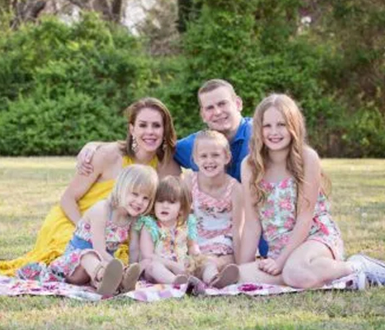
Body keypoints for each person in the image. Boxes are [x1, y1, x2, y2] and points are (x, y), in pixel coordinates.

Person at [0, 97, 181, 281]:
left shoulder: (167, 167)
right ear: (132, 129)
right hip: (75, 222)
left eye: (156, 125)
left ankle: (106, 280)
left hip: (119, 232)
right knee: (68, 256)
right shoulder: (108, 155)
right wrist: (90, 230)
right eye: (143, 125)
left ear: (165, 129)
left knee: (122, 261)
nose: (149, 132)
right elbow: (67, 199)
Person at [77, 79, 269, 257]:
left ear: (238, 103)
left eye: (222, 104)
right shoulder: (195, 145)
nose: (217, 112)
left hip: (265, 216)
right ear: (203, 114)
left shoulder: (259, 134)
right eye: (210, 107)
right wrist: (96, 145)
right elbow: (151, 141)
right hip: (215, 228)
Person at [238, 94, 385, 289]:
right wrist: (241, 269)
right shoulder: (250, 166)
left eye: (281, 124)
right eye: (267, 126)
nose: (274, 132)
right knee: (244, 276)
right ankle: (317, 274)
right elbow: (251, 224)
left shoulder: (307, 158)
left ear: (293, 125)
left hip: (315, 237)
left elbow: (305, 219)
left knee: (295, 273)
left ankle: (355, 266)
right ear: (259, 128)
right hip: (280, 248)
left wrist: (281, 261)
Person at [17, 165, 158, 296]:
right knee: (89, 256)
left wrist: (132, 268)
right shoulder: (102, 210)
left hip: (101, 265)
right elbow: (99, 250)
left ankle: (112, 283)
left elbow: (133, 249)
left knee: (111, 264)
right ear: (121, 189)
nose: (140, 202)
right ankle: (103, 277)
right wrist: (119, 268)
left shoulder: (133, 219)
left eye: (146, 198)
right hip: (74, 266)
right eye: (135, 194)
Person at [183, 130, 242, 288]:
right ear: (195, 159)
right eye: (203, 156)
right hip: (195, 240)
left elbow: (238, 229)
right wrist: (192, 245)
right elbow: (185, 219)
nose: (209, 160)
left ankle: (212, 274)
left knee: (225, 260)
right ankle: (211, 275)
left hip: (224, 242)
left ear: (227, 157)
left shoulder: (235, 189)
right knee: (193, 260)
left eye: (215, 155)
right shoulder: (189, 182)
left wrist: (243, 262)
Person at [135, 176, 202, 285]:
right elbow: (148, 255)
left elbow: (191, 245)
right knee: (153, 267)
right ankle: (176, 282)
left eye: (171, 202)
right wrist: (173, 265)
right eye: (160, 201)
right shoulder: (150, 226)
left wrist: (196, 255)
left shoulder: (186, 224)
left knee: (206, 262)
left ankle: (214, 278)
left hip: (181, 265)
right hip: (159, 265)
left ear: (181, 208)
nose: (164, 206)